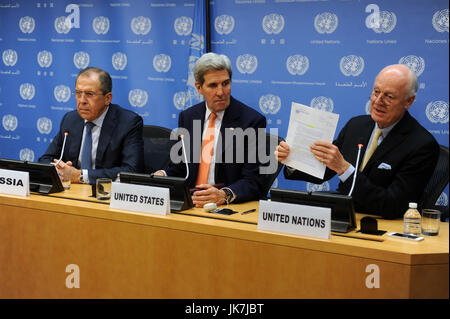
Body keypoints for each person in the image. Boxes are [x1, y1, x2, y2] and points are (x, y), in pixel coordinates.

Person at [275, 64, 439, 219]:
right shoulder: (356, 125)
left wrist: (344, 169)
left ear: (408, 101)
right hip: (341, 215)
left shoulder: (422, 145)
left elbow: (393, 205)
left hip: (380, 224)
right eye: (376, 92)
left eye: (389, 96)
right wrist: (293, 159)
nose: (377, 101)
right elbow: (323, 171)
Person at [155, 52, 267, 207]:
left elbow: (254, 181)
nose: (221, 92)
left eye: (225, 83)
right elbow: (180, 167)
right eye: (213, 85)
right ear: (199, 88)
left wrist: (224, 195)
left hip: (226, 207)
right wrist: (162, 175)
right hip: (190, 204)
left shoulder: (251, 121)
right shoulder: (187, 117)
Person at [39, 67, 144, 184]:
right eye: (78, 93)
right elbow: (45, 159)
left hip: (104, 194)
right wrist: (58, 170)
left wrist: (80, 176)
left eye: (89, 94)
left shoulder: (128, 123)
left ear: (107, 98)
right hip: (72, 192)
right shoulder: (70, 119)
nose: (82, 100)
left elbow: (132, 171)